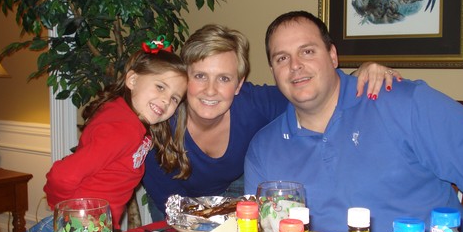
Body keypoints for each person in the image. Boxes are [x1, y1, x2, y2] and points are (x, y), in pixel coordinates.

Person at [244, 10, 463, 232]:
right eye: (282, 58)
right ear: (273, 71)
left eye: (307, 51)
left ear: (332, 56)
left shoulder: (403, 103)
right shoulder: (263, 149)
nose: (295, 66)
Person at [143, 24, 401, 220]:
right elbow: (173, 211)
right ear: (184, 79)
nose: (210, 90)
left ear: (239, 85)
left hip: (236, 192)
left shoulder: (253, 104)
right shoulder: (159, 126)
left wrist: (359, 75)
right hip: (174, 204)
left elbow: (308, 91)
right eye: (200, 76)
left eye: (224, 78)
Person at [15, 41, 188, 232]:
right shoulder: (123, 129)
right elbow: (62, 175)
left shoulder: (132, 124)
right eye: (160, 87)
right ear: (132, 80)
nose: (165, 100)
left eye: (174, 98)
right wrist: (66, 211)